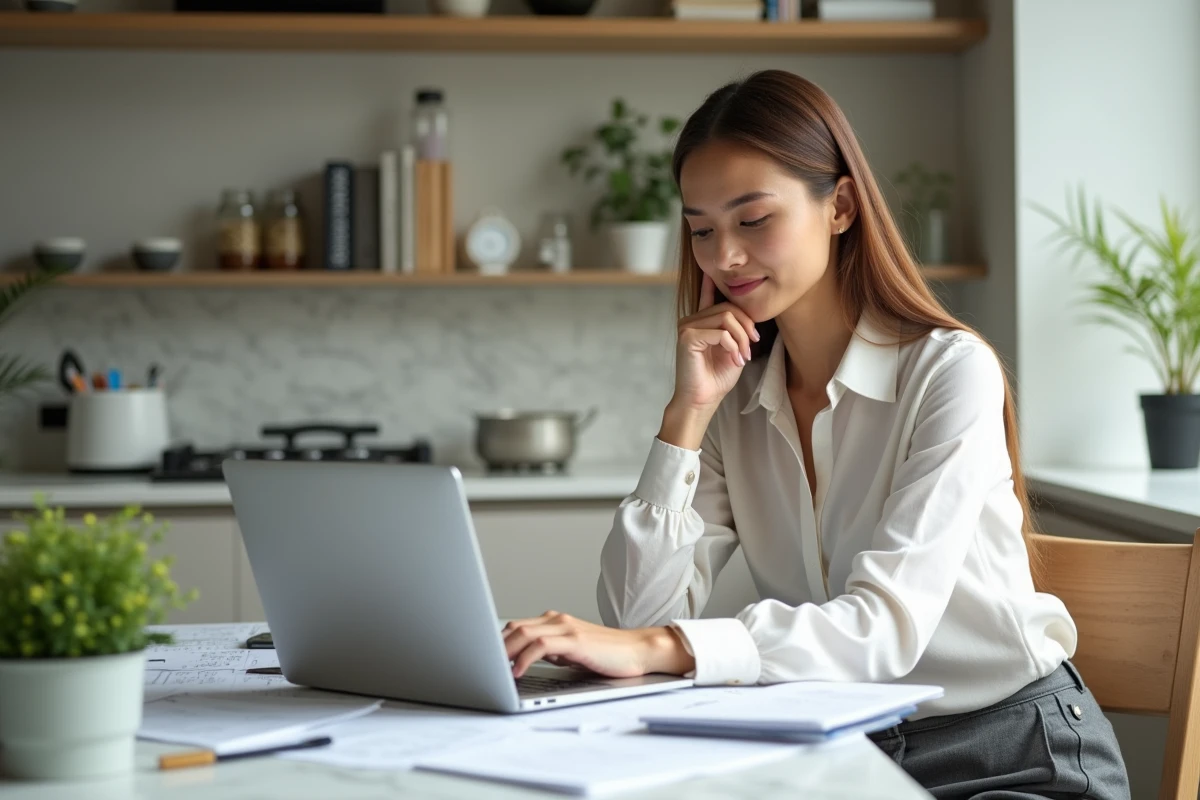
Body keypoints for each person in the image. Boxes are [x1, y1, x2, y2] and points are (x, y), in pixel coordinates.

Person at [501, 69, 1130, 799]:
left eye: (753, 219)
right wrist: (686, 415)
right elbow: (641, 616)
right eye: (701, 230)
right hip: (836, 750)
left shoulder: (949, 373)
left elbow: (883, 631)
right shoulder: (732, 403)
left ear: (840, 206)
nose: (724, 257)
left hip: (1010, 753)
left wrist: (659, 648)